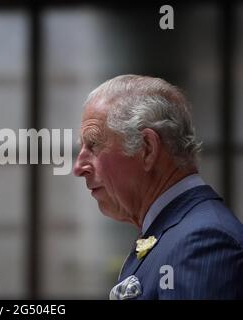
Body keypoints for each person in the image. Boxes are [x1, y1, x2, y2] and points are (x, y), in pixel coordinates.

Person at [73, 74, 243, 299]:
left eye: (93, 145)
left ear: (147, 149)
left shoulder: (201, 241)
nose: (78, 167)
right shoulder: (178, 230)